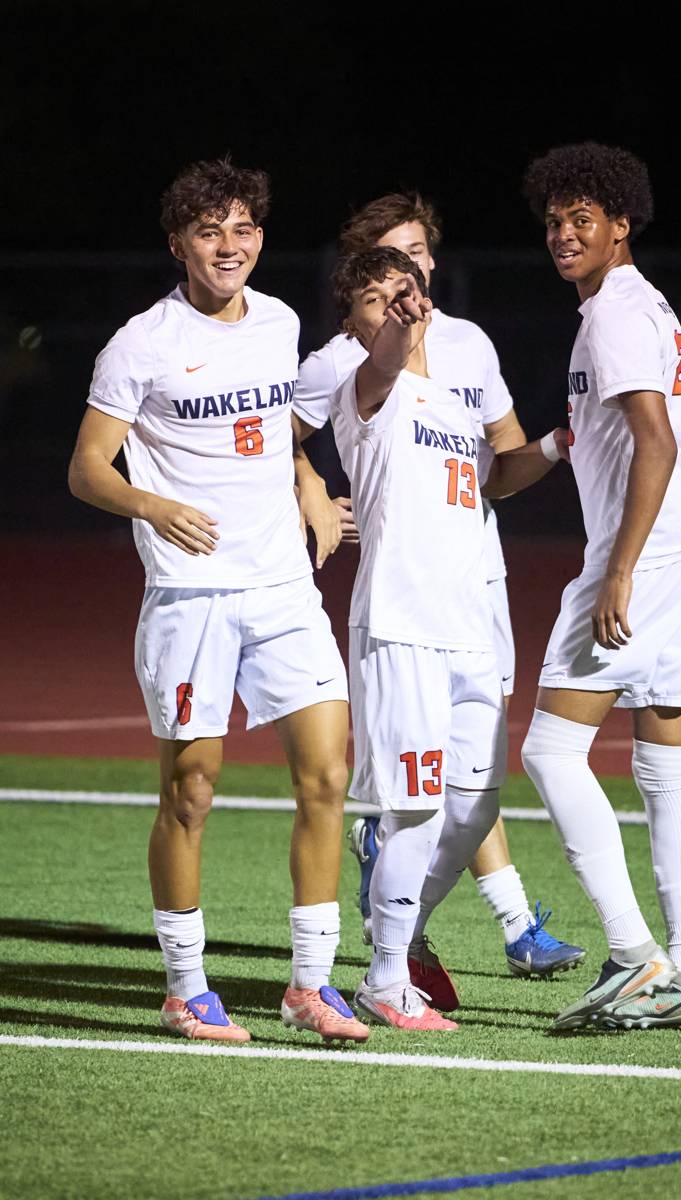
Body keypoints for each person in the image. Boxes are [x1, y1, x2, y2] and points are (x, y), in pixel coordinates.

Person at [68, 157, 369, 1045]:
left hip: (283, 587)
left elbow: (275, 434)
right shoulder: (140, 344)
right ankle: (185, 989)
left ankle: (310, 987)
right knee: (191, 792)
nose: (228, 246)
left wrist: (309, 481)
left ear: (260, 238)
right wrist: (153, 504)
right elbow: (87, 468)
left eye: (243, 229)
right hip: (191, 594)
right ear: (179, 245)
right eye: (210, 232)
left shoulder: (278, 322)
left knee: (327, 775)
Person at [294, 193, 585, 992]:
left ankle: (403, 922)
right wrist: (313, 495)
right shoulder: (352, 368)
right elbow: (288, 438)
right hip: (402, 614)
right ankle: (399, 965)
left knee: (474, 798)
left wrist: (563, 442)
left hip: (472, 598)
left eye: (418, 256)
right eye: (387, 269)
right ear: (357, 301)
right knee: (421, 804)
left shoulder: (463, 366)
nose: (410, 277)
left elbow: (499, 468)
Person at [519, 142, 681, 1030]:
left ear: (620, 223)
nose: (564, 235)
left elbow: (656, 443)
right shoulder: (641, 306)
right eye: (553, 222)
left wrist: (619, 569)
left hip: (652, 557)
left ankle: (633, 956)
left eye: (582, 220)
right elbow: (587, 443)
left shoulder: (612, 312)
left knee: (548, 753)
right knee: (665, 768)